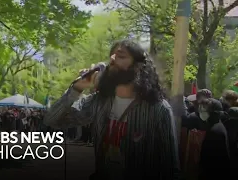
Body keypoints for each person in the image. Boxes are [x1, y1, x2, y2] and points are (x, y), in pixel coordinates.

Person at [44, 39, 180, 180]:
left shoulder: (158, 109)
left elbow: (170, 169)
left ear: (138, 66)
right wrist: (77, 89)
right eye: (112, 56)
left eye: (121, 56)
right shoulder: (99, 101)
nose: (112, 60)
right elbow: (52, 120)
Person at [197, 98, 231, 179]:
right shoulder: (216, 126)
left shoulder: (215, 131)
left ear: (213, 112)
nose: (201, 112)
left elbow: (211, 161)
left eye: (204, 110)